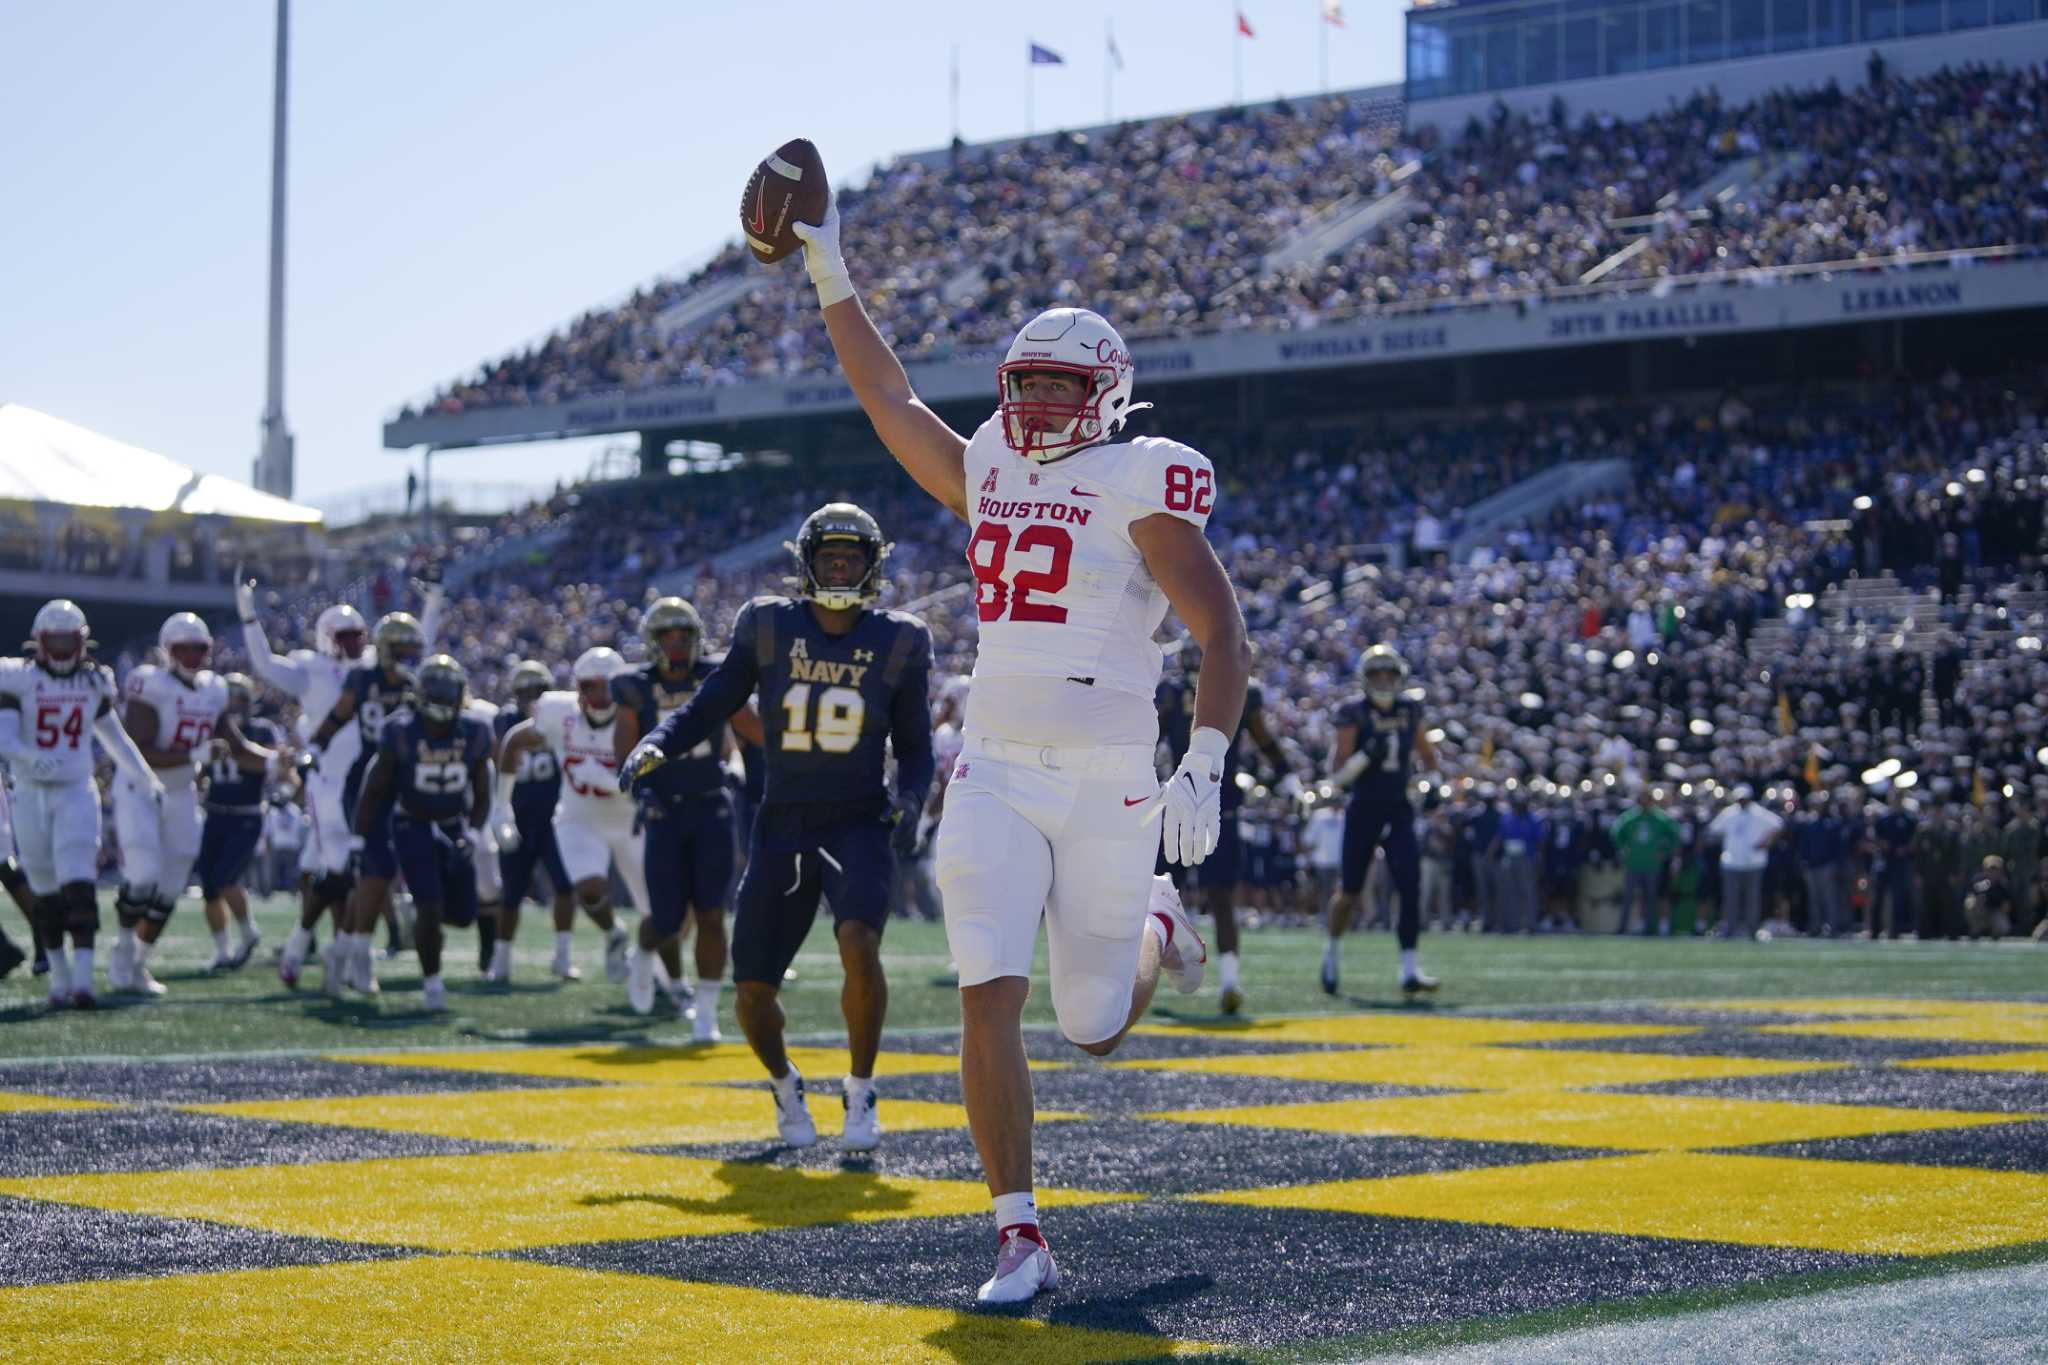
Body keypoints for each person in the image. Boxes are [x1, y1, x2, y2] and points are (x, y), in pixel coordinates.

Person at [787, 195, 1245, 1304]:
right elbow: (886, 396)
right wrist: (827, 265)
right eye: (1024, 384)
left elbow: (1220, 630)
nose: (1037, 405)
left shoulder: (1141, 481)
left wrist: (1205, 759)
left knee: (1089, 1027)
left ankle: (1156, 919)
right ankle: (1018, 1235)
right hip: (990, 762)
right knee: (983, 988)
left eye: (1060, 387)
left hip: (1105, 778)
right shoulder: (988, 462)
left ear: (1109, 395)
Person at [624, 502, 934, 1154]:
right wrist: (659, 739)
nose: (841, 566)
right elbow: (713, 701)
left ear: (872, 564)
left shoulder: (900, 638)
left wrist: (910, 798)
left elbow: (915, 745)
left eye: (852, 556)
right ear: (807, 564)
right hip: (783, 822)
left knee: (858, 940)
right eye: (830, 556)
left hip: (857, 820)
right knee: (752, 994)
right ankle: (786, 1083)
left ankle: (859, 1087)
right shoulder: (767, 625)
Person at [611, 598, 762, 1043]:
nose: (677, 646)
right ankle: (643, 953)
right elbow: (626, 755)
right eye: (668, 638)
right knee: (665, 915)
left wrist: (760, 761)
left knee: (712, 914)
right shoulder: (633, 686)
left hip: (711, 803)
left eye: (684, 637)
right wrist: (642, 791)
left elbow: (754, 729)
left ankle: (706, 1012)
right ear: (652, 643)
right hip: (664, 806)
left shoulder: (714, 675)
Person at [0, 600, 162, 1008]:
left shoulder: (93, 683)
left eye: (66, 640)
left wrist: (146, 777)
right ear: (38, 642)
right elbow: (4, 738)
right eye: (53, 640)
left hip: (75, 789)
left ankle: (85, 981)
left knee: (79, 885)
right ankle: (60, 979)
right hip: (29, 791)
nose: (60, 648)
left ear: (82, 642)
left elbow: (115, 737)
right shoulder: (17, 679)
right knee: (45, 894)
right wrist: (28, 757)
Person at [236, 579, 367, 987]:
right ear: (328, 639)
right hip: (327, 783)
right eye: (344, 638)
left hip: (367, 783)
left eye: (357, 637)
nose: (353, 645)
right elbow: (265, 663)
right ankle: (344, 958)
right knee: (343, 873)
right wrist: (248, 614)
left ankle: (304, 946)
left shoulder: (373, 668)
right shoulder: (314, 669)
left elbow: (418, 653)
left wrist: (432, 606)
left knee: (345, 873)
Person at [108, 614, 240, 994]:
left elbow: (232, 741)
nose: (193, 656)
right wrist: (198, 753)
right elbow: (139, 750)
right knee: (144, 875)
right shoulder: (151, 683)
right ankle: (121, 950)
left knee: (171, 884)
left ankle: (137, 963)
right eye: (184, 648)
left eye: (199, 648)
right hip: (140, 788)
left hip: (182, 792)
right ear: (168, 650)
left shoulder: (214, 689)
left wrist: (272, 760)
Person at [351, 655, 492, 1012]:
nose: (445, 701)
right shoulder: (400, 730)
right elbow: (374, 789)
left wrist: (474, 834)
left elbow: (483, 791)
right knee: (431, 909)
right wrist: (359, 837)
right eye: (439, 693)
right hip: (411, 824)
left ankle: (421, 914)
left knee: (462, 914)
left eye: (450, 694)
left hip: (453, 825)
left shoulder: (475, 730)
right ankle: (433, 986)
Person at [494, 648, 636, 991]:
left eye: (608, 687)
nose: (601, 697)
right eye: (592, 687)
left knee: (658, 901)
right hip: (577, 815)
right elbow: (513, 742)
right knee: (580, 890)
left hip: (631, 816)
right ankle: (502, 961)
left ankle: (662, 975)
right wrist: (501, 807)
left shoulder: (636, 714)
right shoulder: (558, 714)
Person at [1158, 657, 1295, 1013]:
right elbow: (1147, 740)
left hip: (1222, 807)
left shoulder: (1241, 693)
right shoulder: (1171, 694)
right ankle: (1139, 974)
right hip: (1179, 802)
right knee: (1159, 893)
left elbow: (1264, 740)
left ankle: (1231, 983)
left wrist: (1288, 777)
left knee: (1221, 897)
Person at [309, 612, 424, 996]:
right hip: (365, 783)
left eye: (412, 650)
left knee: (377, 877)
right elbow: (338, 717)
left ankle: (346, 952)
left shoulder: (413, 685)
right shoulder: (362, 678)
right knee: (375, 872)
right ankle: (355, 955)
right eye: (402, 650)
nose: (408, 658)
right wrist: (314, 747)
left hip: (399, 784)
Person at [1320, 645, 1441, 992]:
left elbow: (1429, 756)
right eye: (1378, 674)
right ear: (1366, 678)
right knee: (1350, 892)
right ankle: (1331, 951)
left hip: (1399, 806)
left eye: (1390, 674)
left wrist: (1434, 785)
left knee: (1410, 885)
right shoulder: (1352, 712)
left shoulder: (1410, 708)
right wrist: (1363, 758)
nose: (1385, 680)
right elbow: (1338, 775)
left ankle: (1409, 969)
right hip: (1364, 808)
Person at [488, 660, 580, 983]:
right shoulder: (506, 720)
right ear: (516, 694)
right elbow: (501, 751)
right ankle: (501, 960)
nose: (532, 696)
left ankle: (563, 956)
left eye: (539, 690)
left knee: (566, 887)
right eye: (526, 691)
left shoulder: (559, 718)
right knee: (511, 893)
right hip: (518, 815)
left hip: (554, 817)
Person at [192, 673, 286, 970]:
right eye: (227, 699)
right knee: (208, 886)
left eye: (238, 699)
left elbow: (272, 764)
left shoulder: (262, 731)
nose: (233, 705)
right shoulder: (207, 729)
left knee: (225, 878)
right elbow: (198, 770)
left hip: (246, 815)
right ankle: (222, 949)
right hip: (215, 814)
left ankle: (247, 930)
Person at [1707, 784, 1783, 940]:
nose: (1742, 802)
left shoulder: (1758, 813)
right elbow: (1714, 829)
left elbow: (1778, 824)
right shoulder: (1729, 813)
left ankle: (1752, 929)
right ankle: (1730, 928)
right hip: (1731, 862)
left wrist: (1766, 842)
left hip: (1754, 862)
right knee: (1731, 899)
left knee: (1752, 899)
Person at [1610, 787, 1681, 935]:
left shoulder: (1660, 818)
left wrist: (1665, 852)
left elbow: (1675, 834)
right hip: (1633, 863)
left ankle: (1649, 928)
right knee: (1628, 897)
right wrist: (1623, 848)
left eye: (1647, 799)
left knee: (1651, 897)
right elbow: (1615, 832)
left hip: (1652, 864)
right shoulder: (1631, 817)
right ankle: (1623, 927)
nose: (1645, 803)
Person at [1963, 854, 2015, 939]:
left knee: (2003, 927)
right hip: (1980, 912)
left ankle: (1992, 931)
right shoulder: (1978, 880)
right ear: (1984, 869)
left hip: (1995, 913)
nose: (1993, 872)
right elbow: (1971, 897)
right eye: (1990, 869)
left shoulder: (2004, 885)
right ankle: (1976, 928)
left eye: (1996, 869)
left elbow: (2006, 908)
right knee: (1969, 903)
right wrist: (1980, 902)